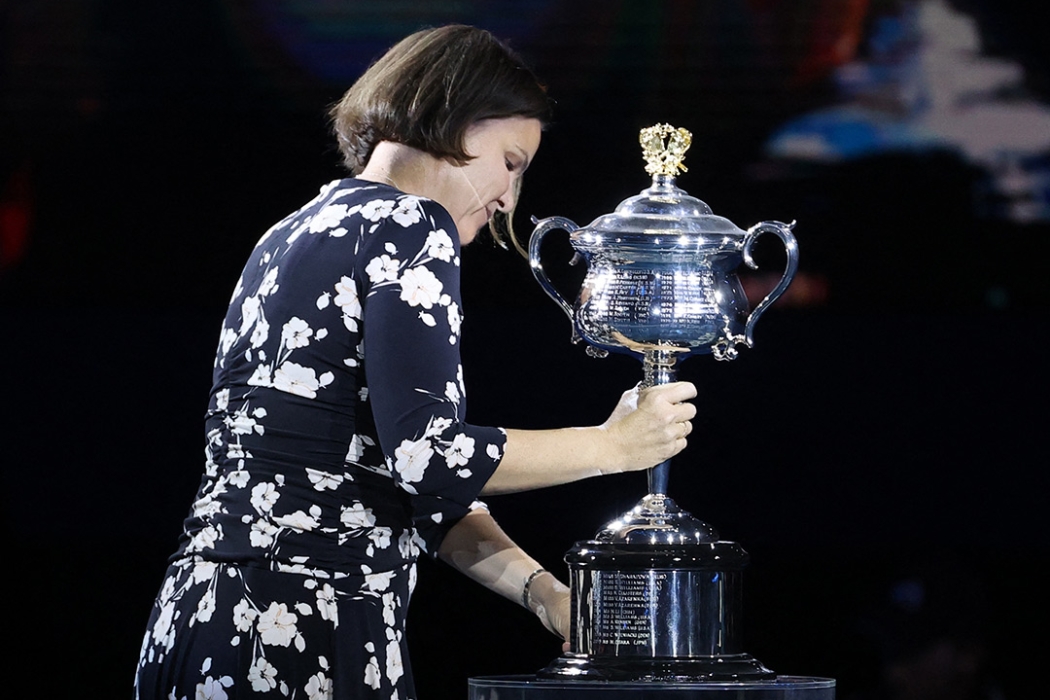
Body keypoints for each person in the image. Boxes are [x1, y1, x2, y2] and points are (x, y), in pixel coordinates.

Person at [134, 24, 696, 700]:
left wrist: (546, 596)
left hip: (198, 620)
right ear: (455, 117)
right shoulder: (410, 225)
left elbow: (397, 480)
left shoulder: (288, 231)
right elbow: (429, 457)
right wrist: (611, 447)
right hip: (305, 629)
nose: (508, 201)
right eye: (512, 163)